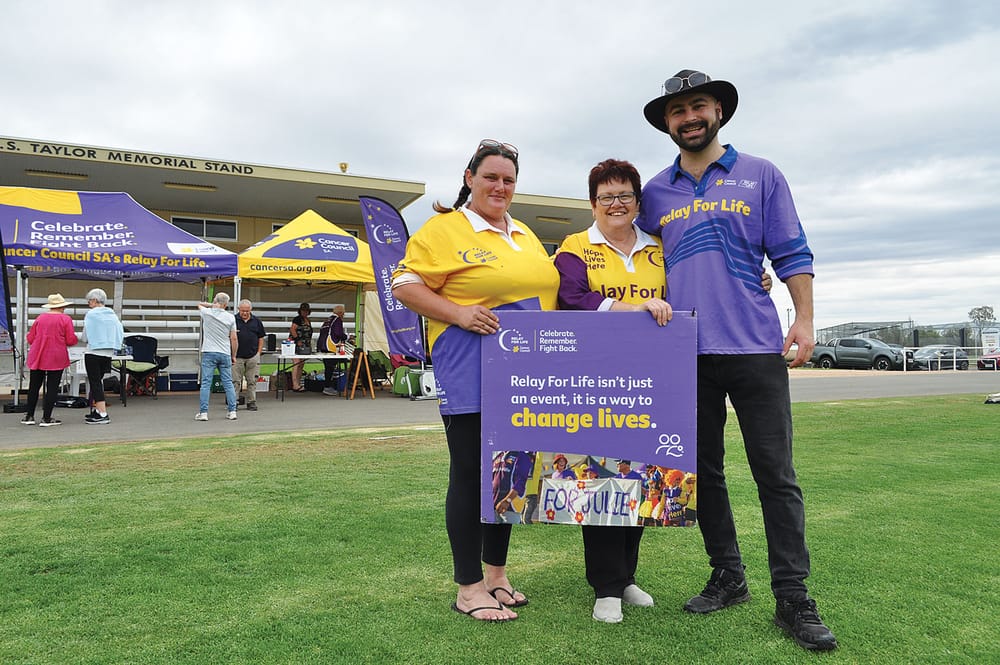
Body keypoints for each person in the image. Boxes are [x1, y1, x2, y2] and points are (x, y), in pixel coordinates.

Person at [636, 69, 837, 650]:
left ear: (718, 111)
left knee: (776, 476)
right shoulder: (655, 193)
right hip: (686, 354)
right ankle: (728, 576)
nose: (689, 118)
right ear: (667, 123)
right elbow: (634, 258)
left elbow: (792, 250)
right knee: (705, 476)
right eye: (678, 111)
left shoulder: (761, 174)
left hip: (755, 349)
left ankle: (793, 597)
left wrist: (803, 319)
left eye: (698, 106)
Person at [392, 139, 559, 623]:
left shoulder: (525, 233)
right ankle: (468, 588)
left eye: (508, 180)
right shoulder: (444, 229)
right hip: (469, 367)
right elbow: (403, 284)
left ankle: (496, 576)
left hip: (524, 374)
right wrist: (459, 313)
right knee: (469, 474)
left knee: (508, 473)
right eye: (490, 177)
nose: (500, 187)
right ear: (470, 178)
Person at [553, 158, 670, 624]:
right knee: (600, 477)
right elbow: (570, 297)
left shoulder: (659, 246)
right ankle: (604, 585)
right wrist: (628, 310)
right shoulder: (575, 246)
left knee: (640, 476)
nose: (616, 203)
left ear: (638, 202)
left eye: (624, 195)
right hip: (596, 379)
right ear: (593, 203)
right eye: (606, 196)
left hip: (653, 377)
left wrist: (756, 278)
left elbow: (693, 286)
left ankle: (626, 576)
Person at [23, 293, 79, 427]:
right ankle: (46, 418)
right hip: (56, 355)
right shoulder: (65, 319)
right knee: (52, 387)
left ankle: (29, 415)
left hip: (38, 354)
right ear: (62, 307)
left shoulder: (40, 318)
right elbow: (70, 339)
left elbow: (30, 338)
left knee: (34, 386)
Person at [81, 288, 124, 424]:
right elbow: (120, 331)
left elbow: (85, 336)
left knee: (95, 383)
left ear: (94, 300)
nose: (89, 303)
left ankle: (103, 413)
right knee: (99, 381)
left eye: (89, 301)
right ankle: (98, 410)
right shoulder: (113, 315)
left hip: (93, 351)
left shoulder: (91, 314)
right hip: (108, 352)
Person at [195, 293, 238, 422]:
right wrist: (233, 355)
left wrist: (212, 305)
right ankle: (232, 411)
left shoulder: (207, 313)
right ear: (226, 304)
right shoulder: (230, 317)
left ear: (215, 301)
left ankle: (203, 412)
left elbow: (199, 304)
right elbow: (234, 338)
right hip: (224, 352)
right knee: (228, 383)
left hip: (209, 351)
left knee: (206, 383)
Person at [233, 299, 266, 411]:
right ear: (238, 309)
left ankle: (251, 402)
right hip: (236, 356)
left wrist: (258, 353)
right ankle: (234, 402)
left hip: (252, 356)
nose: (245, 313)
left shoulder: (257, 321)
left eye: (247, 311)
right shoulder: (233, 320)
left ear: (250, 310)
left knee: (252, 380)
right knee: (235, 381)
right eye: (242, 311)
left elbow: (261, 337)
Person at [318, 304, 348, 396]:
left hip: (322, 346)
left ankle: (327, 386)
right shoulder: (337, 320)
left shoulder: (328, 320)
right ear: (340, 313)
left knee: (328, 367)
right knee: (331, 367)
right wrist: (346, 337)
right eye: (343, 313)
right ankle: (328, 387)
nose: (343, 315)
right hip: (330, 346)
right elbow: (338, 333)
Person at [288, 302, 312, 392]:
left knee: (301, 363)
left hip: (305, 345)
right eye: (303, 310)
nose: (304, 312)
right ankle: (294, 384)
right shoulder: (297, 319)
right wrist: (297, 340)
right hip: (296, 344)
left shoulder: (308, 320)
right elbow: (292, 329)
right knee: (296, 362)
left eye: (306, 311)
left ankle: (298, 383)